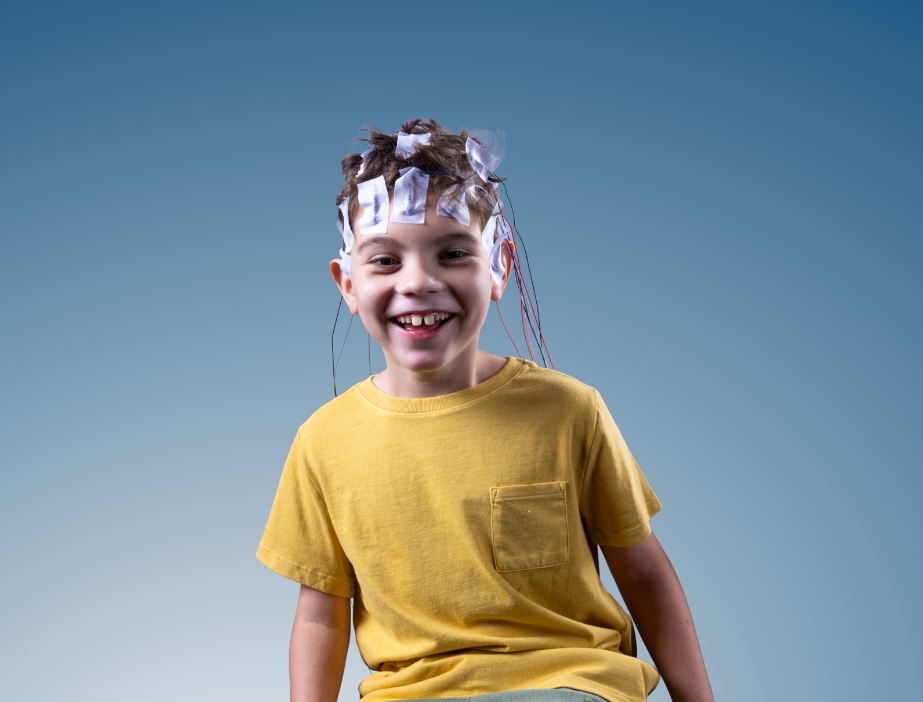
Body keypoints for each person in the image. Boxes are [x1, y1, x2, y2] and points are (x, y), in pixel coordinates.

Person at [257, 118, 714, 702]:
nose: (419, 281)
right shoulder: (322, 442)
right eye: (385, 261)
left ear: (499, 265)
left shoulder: (570, 411)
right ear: (346, 284)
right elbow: (321, 615)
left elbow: (643, 572)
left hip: (568, 683)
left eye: (452, 253)